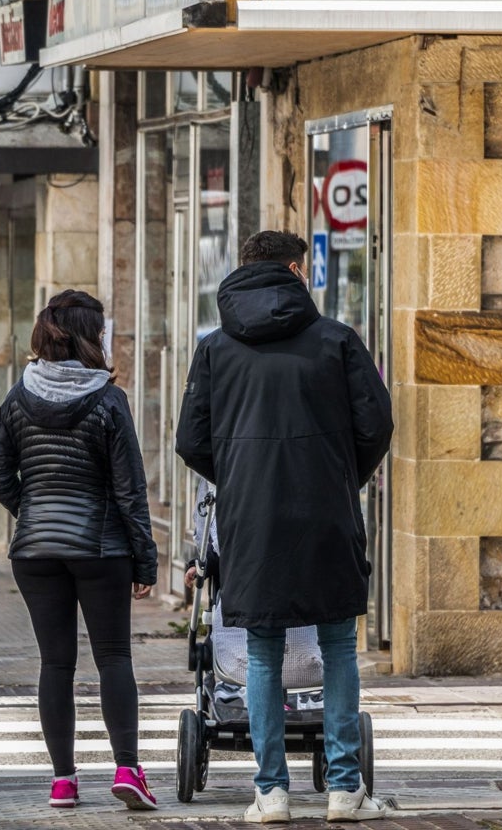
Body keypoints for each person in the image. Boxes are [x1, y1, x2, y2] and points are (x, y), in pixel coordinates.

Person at [174, 230, 393, 824]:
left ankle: (270, 793)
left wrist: (243, 474)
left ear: (245, 269)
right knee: (339, 646)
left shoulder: (215, 349)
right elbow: (377, 424)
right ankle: (345, 791)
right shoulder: (338, 341)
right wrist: (342, 474)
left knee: (263, 649)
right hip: (327, 512)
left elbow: (190, 440)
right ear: (298, 270)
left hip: (251, 519)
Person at [0, 289, 160, 812]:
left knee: (55, 664)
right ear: (92, 337)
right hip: (101, 549)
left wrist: (35, 511)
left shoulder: (18, 396)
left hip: (35, 551)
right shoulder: (108, 400)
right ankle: (128, 769)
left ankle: (63, 781)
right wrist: (144, 558)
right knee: (113, 657)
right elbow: (130, 489)